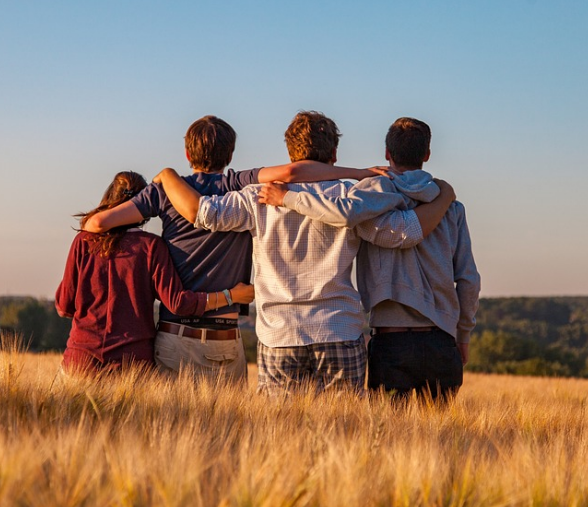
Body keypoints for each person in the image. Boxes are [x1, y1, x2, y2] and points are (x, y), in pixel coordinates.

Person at [152, 111, 456, 395]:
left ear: (290, 154)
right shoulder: (352, 198)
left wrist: (167, 176)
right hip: (339, 329)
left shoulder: (256, 197)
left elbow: (203, 214)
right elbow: (403, 233)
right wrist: (444, 198)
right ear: (334, 155)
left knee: (280, 437)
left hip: (279, 334)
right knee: (344, 435)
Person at [82, 115, 384, 383]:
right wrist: (358, 173)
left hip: (177, 335)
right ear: (230, 154)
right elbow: (293, 173)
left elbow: (96, 225)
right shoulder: (239, 184)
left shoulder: (166, 191)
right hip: (229, 337)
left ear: (188, 154)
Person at [260, 117, 480, 401]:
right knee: (441, 441)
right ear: (426, 155)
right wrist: (463, 335)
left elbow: (343, 213)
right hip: (442, 341)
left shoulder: (368, 197)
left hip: (390, 341)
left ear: (387, 153)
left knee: (387, 438)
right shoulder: (451, 207)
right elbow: (468, 279)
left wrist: (288, 198)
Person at [55, 171, 254, 375]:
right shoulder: (151, 247)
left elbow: (64, 306)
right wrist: (231, 296)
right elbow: (178, 303)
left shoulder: (83, 242)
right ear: (145, 207)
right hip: (132, 365)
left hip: (81, 360)